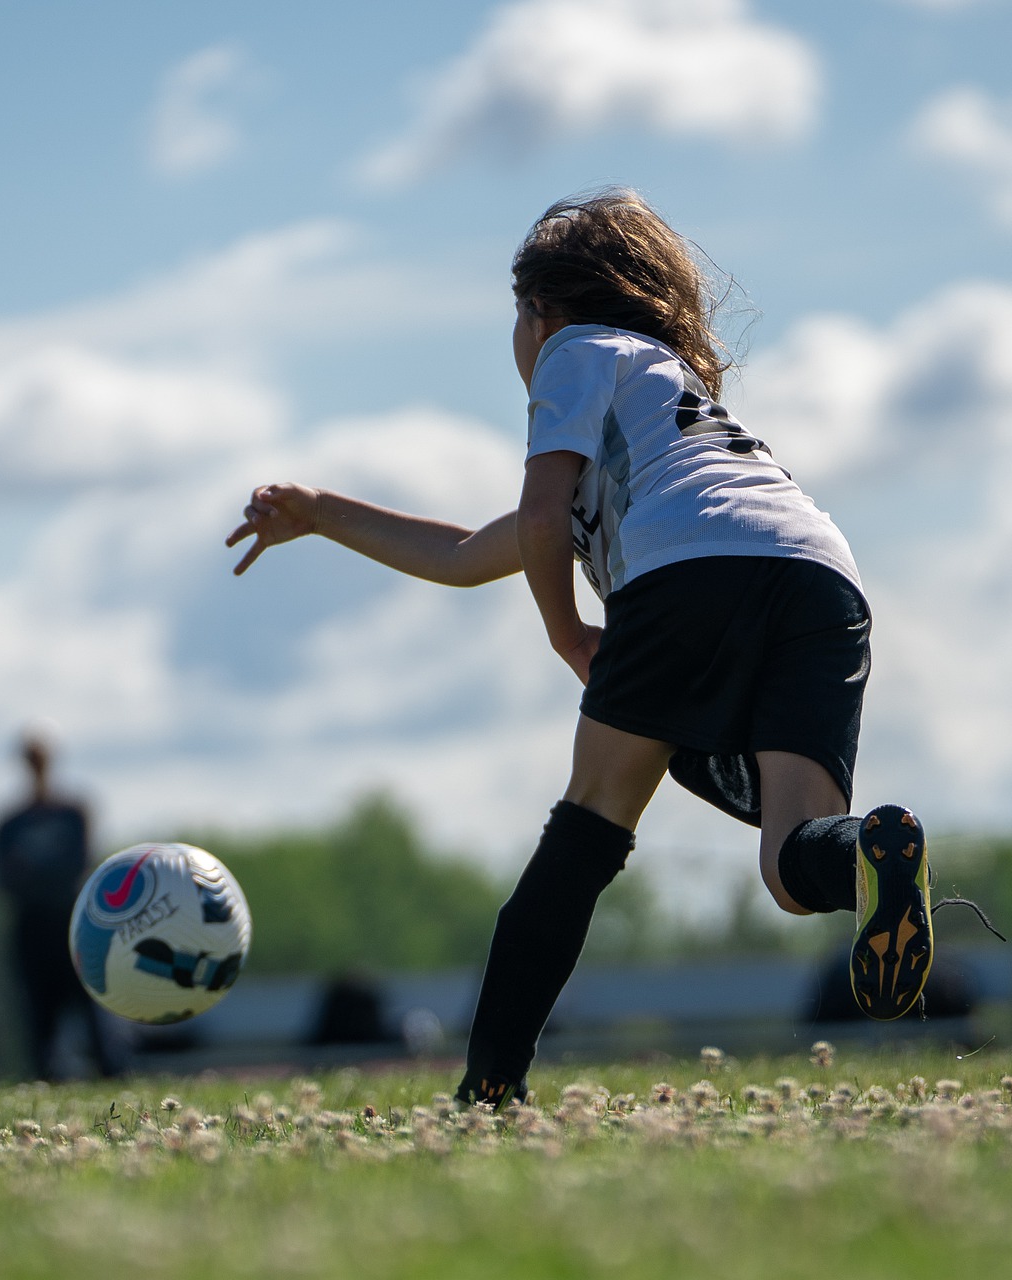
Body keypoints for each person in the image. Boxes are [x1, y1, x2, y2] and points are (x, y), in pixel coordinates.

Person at [226, 190, 964, 1106]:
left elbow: (540, 518)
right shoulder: (666, 415)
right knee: (791, 866)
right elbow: (465, 553)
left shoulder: (576, 349)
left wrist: (567, 631)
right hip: (821, 574)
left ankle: (489, 1087)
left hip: (689, 568)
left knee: (587, 829)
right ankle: (874, 854)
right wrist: (324, 514)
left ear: (543, 309)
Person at [0, 729, 126, 1079]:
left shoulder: (73, 812)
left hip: (73, 923)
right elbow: (0, 878)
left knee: (94, 1009)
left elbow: (81, 862)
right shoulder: (8, 822)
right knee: (39, 1014)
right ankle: (47, 1080)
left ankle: (112, 1077)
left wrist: (33, 871)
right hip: (32, 925)